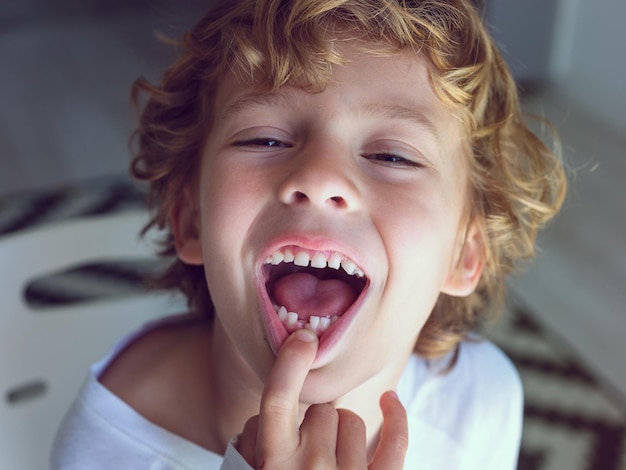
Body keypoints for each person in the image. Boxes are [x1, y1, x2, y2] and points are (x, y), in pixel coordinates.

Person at [51, 0, 567, 468]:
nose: (320, 178)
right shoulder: (109, 448)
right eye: (265, 138)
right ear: (192, 221)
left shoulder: (480, 403)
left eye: (392, 155)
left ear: (463, 252)